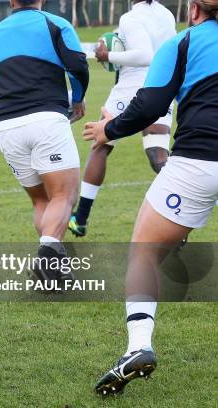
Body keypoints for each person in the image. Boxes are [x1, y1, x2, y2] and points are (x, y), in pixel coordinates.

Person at [83, 0, 218, 395]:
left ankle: (139, 346)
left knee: (143, 251)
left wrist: (111, 129)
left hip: (197, 162)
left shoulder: (185, 43)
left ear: (194, 10)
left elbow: (151, 104)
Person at [0, 0, 89, 280]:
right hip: (46, 120)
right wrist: (77, 99)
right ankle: (47, 259)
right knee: (63, 196)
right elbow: (78, 66)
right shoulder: (56, 24)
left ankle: (56, 270)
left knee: (41, 201)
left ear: (11, 1)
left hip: (6, 126)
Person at [69, 0, 176, 238]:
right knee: (158, 156)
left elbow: (144, 54)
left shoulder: (130, 17)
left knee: (101, 144)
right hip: (162, 87)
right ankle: (181, 211)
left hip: (131, 88)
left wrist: (108, 54)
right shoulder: (167, 15)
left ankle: (81, 218)